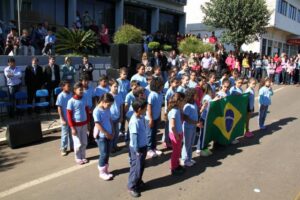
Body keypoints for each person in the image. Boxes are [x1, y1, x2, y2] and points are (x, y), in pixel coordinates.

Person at [127, 99, 148, 198]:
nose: (146, 109)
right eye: (145, 108)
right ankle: (132, 186)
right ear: (139, 109)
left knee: (141, 166)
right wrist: (137, 150)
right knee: (136, 168)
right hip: (137, 148)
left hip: (143, 146)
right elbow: (134, 138)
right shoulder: (134, 121)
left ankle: (138, 181)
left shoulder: (141, 117)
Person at [67, 82, 90, 165]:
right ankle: (77, 157)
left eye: (82, 90)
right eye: (80, 90)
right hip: (76, 126)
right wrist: (72, 127)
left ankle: (83, 156)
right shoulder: (71, 101)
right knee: (78, 144)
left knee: (84, 142)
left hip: (84, 125)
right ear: (75, 90)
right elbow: (69, 116)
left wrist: (88, 123)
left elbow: (87, 111)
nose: (81, 91)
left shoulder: (84, 99)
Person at [93, 93, 115, 180]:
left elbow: (110, 119)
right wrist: (106, 134)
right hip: (101, 136)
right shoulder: (96, 111)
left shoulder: (107, 109)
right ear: (103, 102)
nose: (110, 107)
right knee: (103, 153)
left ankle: (106, 170)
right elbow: (97, 124)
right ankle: (101, 172)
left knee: (108, 153)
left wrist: (112, 131)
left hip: (109, 134)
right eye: (109, 105)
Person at [181, 88, 201, 167]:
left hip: (193, 127)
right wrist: (195, 123)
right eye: (196, 94)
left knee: (191, 143)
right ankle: (184, 159)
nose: (198, 95)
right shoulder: (187, 106)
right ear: (192, 96)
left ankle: (189, 158)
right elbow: (185, 118)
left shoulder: (194, 103)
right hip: (188, 128)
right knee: (187, 144)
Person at [145, 77, 164, 158]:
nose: (162, 86)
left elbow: (159, 107)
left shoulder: (160, 94)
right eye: (161, 85)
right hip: (150, 119)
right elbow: (149, 107)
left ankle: (154, 147)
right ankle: (148, 149)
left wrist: (159, 116)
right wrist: (151, 119)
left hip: (156, 117)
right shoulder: (152, 95)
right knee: (149, 134)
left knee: (154, 133)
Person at [168, 92, 185, 175]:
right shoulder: (174, 111)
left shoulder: (177, 109)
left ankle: (176, 164)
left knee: (178, 151)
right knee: (176, 152)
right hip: (175, 134)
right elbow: (172, 126)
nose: (184, 103)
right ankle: (173, 167)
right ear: (178, 101)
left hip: (178, 133)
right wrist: (176, 135)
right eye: (183, 101)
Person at [56, 80, 73, 156]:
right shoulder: (60, 96)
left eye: (70, 86)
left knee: (72, 133)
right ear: (63, 87)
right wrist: (62, 119)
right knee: (65, 134)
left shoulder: (71, 94)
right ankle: (64, 148)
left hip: (71, 118)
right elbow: (59, 108)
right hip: (65, 119)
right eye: (68, 86)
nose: (69, 87)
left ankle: (72, 147)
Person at [196, 84, 213, 156]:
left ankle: (203, 147)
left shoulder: (205, 96)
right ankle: (200, 148)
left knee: (203, 134)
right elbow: (206, 104)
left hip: (205, 117)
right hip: (205, 118)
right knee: (203, 134)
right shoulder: (207, 97)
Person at [163, 77, 179, 148]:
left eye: (177, 82)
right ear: (171, 83)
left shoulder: (175, 90)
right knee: (167, 128)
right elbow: (167, 102)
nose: (177, 84)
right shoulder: (169, 92)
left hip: (172, 110)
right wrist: (166, 111)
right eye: (175, 83)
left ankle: (168, 140)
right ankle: (167, 141)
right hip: (169, 111)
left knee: (170, 127)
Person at [109, 79, 124, 153]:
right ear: (110, 87)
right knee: (112, 133)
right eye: (114, 86)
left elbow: (121, 106)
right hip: (110, 118)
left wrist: (121, 116)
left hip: (117, 117)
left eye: (117, 86)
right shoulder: (108, 96)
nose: (116, 88)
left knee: (117, 133)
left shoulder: (119, 95)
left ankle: (115, 145)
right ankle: (111, 147)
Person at [117, 68, 130, 135]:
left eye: (126, 74)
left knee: (124, 116)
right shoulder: (117, 81)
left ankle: (122, 129)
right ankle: (118, 130)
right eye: (124, 74)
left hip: (125, 101)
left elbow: (128, 91)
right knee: (119, 115)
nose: (125, 75)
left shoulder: (127, 82)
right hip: (119, 101)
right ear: (120, 74)